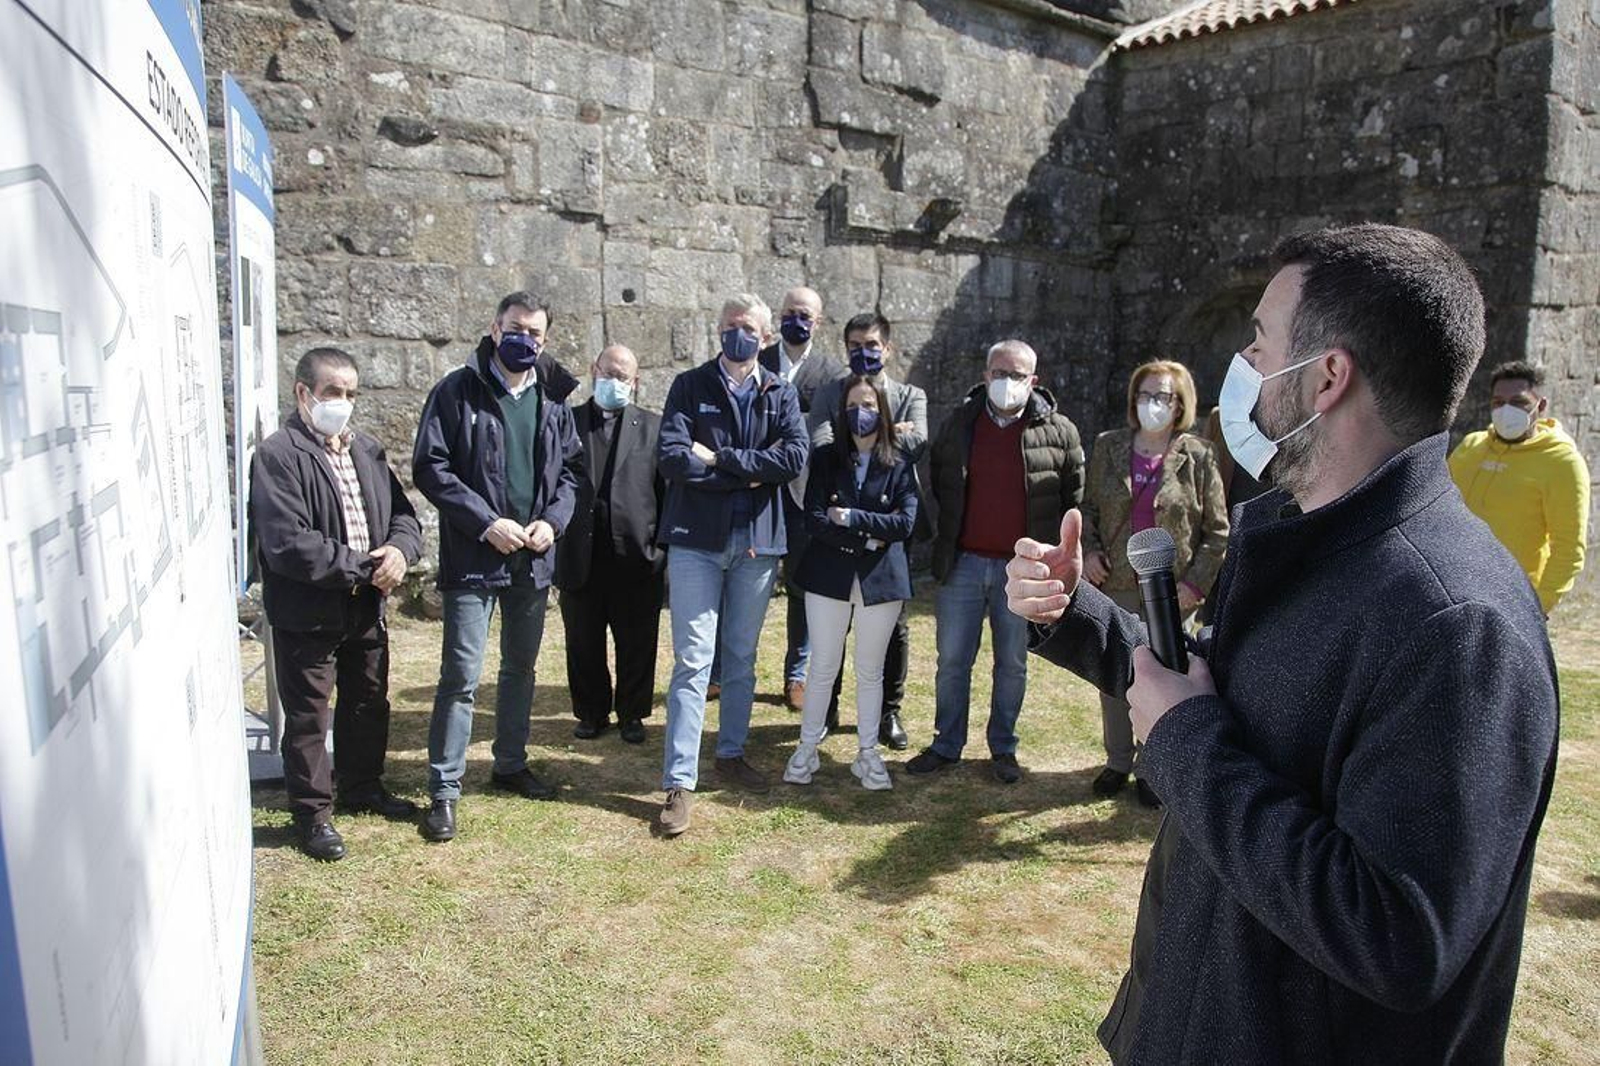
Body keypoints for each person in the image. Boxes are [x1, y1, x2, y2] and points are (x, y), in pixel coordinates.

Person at [1006, 224, 1559, 1064]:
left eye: (1261, 342)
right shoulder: (1311, 537)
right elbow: (1211, 695)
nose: (1246, 364)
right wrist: (1074, 613)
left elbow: (1398, 936)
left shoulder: (1458, 627)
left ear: (1329, 377)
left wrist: (1187, 742)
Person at [411, 290, 584, 843]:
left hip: (532, 559)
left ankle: (510, 764)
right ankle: (444, 789)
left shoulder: (553, 399)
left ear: (545, 339)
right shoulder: (455, 391)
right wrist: (485, 522)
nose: (523, 339)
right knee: (461, 676)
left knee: (520, 669)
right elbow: (431, 467)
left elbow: (571, 473)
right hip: (474, 557)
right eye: (515, 328)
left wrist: (553, 522)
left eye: (534, 333)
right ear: (494, 328)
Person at [250, 348, 424, 861]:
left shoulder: (366, 450)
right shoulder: (278, 455)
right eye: (332, 392)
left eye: (350, 393)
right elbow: (287, 542)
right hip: (309, 610)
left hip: (365, 607)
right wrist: (365, 567)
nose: (342, 402)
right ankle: (312, 814)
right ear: (303, 393)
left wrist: (400, 552)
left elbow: (404, 517)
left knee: (368, 699)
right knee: (309, 715)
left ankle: (362, 785)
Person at [655, 294, 809, 837]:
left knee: (741, 657)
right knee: (694, 660)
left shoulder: (780, 392)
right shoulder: (689, 386)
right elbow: (673, 457)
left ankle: (731, 753)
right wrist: (750, 474)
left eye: (746, 327)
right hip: (696, 541)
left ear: (765, 338)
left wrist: (720, 459)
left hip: (757, 544)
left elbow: (794, 458)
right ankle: (679, 781)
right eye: (728, 325)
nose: (735, 334)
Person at [909, 339, 1084, 784]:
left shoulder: (1059, 431)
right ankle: (946, 744)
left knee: (1012, 663)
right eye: (1000, 373)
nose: (1007, 382)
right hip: (964, 564)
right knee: (952, 661)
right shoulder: (959, 423)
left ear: (1034, 381)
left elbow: (1072, 494)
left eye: (1017, 375)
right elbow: (941, 481)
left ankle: (1003, 748)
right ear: (986, 376)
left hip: (1021, 571)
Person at [1080, 360, 1228, 807]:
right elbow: (1088, 510)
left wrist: (1196, 586)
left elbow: (1217, 531)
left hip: (1172, 590)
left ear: (1180, 403)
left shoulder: (1200, 455)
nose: (1152, 404)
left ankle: (1152, 765)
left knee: (1166, 677)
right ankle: (1118, 760)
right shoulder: (1108, 446)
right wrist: (1090, 553)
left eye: (1162, 396)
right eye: (1145, 395)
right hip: (1118, 581)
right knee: (1114, 673)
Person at [708, 287, 845, 708]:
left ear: (818, 322)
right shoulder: (756, 358)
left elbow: (832, 432)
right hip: (755, 491)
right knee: (734, 580)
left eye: (804, 314)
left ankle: (797, 674)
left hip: (806, 494)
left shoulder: (832, 373)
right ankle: (717, 671)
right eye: (788, 312)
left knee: (803, 586)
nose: (795, 321)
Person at [783, 376, 918, 791]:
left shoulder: (899, 462)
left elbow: (905, 522)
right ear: (843, 413)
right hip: (829, 575)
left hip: (881, 580)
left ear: (884, 411)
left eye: (870, 405)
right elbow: (815, 519)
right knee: (823, 666)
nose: (862, 413)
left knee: (870, 670)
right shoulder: (826, 459)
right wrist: (868, 537)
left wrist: (853, 519)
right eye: (854, 405)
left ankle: (867, 753)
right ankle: (807, 748)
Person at [807, 312, 929, 749]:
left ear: (888, 349)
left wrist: (875, 435)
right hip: (836, 520)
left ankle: (888, 712)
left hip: (890, 522)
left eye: (872, 344)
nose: (864, 352)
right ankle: (827, 706)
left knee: (892, 624)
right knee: (834, 621)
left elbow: (917, 443)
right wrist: (888, 431)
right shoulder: (829, 392)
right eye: (855, 345)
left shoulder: (911, 394)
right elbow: (821, 443)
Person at [556, 344, 665, 744]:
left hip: (636, 554)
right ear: (593, 370)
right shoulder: (566, 422)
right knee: (582, 639)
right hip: (580, 552)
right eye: (608, 372)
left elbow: (665, 492)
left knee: (637, 640)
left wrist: (659, 549)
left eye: (623, 376)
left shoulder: (654, 427)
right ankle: (591, 712)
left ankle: (632, 713)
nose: (614, 381)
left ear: (635, 382)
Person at [1449, 359, 1590, 615]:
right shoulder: (1471, 447)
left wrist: (1537, 609)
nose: (1506, 410)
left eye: (1518, 402)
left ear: (1541, 406)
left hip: (1510, 602)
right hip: (1452, 590)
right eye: (1498, 402)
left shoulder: (1562, 462)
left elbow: (1569, 549)